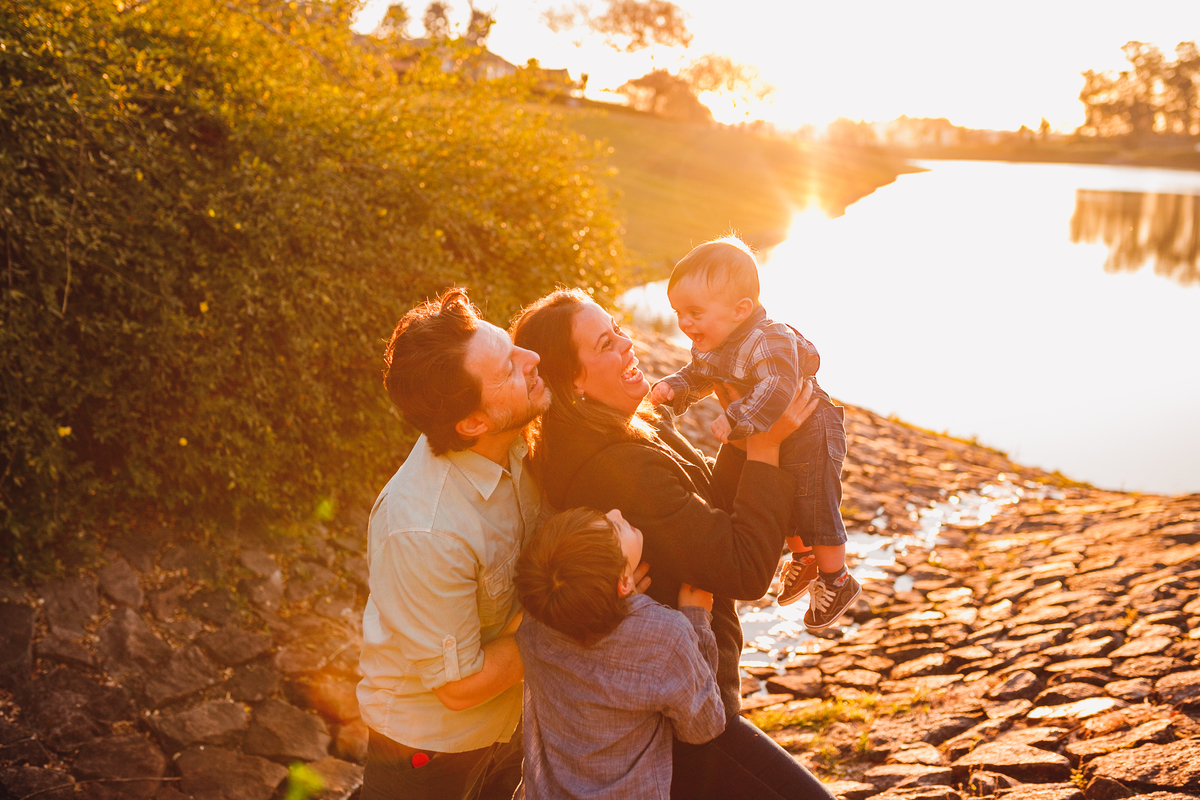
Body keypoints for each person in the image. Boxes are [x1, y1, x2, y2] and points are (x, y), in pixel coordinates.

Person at [510, 288, 837, 800]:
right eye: (605, 344)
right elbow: (744, 568)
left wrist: (745, 434)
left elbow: (709, 513)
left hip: (679, 683)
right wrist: (766, 447)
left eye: (618, 328)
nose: (627, 344)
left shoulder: (624, 426)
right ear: (572, 381)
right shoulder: (613, 468)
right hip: (675, 715)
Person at [357, 288, 550, 800]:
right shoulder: (424, 528)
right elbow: (459, 687)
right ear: (472, 423)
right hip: (424, 758)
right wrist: (572, 618)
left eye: (514, 346)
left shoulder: (511, 439)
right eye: (510, 368)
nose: (532, 361)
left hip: (506, 727)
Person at [648, 236, 859, 631]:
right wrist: (675, 388)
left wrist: (736, 418)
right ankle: (805, 559)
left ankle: (837, 579)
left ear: (740, 309)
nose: (684, 324)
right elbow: (699, 374)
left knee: (813, 501)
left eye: (694, 312)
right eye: (678, 312)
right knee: (783, 500)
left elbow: (778, 387)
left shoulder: (769, 338)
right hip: (776, 430)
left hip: (813, 430)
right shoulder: (718, 340)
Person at [513, 507, 725, 799]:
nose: (615, 512)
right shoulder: (666, 636)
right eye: (613, 529)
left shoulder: (536, 620)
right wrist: (697, 617)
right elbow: (704, 726)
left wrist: (617, 598)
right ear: (624, 581)